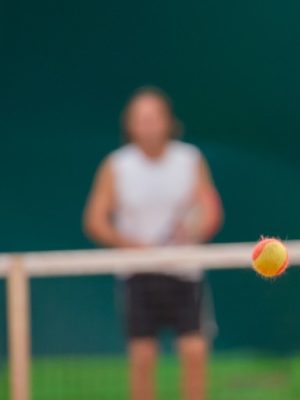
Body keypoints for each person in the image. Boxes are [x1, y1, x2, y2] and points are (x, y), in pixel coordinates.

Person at [83, 86, 223, 400]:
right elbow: (94, 220)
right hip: (138, 275)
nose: (148, 125)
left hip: (184, 275)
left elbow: (209, 206)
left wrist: (198, 228)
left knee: (194, 350)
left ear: (168, 121)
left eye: (154, 117)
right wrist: (130, 245)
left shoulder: (191, 159)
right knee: (143, 356)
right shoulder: (116, 166)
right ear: (130, 125)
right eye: (140, 119)